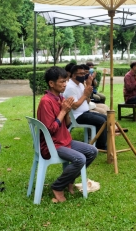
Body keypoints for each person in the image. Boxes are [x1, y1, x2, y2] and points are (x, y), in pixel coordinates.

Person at [37, 66, 98, 202]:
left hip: (64, 140)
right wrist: (63, 111)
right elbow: (50, 130)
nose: (65, 85)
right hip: (51, 145)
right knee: (80, 159)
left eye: (65, 81)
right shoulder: (46, 101)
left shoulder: (59, 98)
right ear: (51, 84)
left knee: (92, 151)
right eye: (61, 82)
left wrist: (67, 111)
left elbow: (68, 124)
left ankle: (69, 180)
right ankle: (58, 186)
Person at [64, 65, 108, 150]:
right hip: (77, 116)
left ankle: (103, 142)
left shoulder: (80, 84)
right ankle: (101, 146)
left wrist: (87, 87)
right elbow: (75, 106)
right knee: (102, 121)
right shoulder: (70, 87)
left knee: (106, 118)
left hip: (85, 112)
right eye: (80, 74)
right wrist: (85, 94)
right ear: (73, 75)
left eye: (84, 73)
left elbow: (87, 101)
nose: (83, 76)